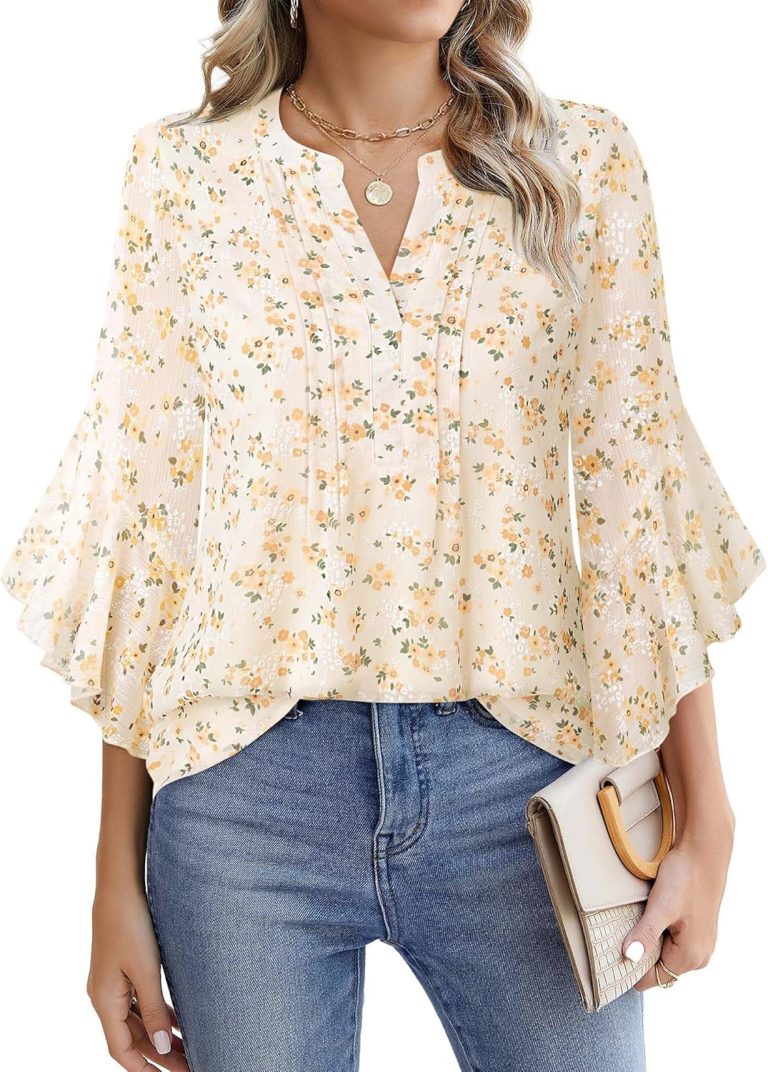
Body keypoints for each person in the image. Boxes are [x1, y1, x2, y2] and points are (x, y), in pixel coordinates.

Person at [2, 2, 764, 1070]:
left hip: (531, 790)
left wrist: (707, 814)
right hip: (244, 809)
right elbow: (149, 529)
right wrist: (111, 884)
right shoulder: (183, 178)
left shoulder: (582, 163)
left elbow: (635, 495)